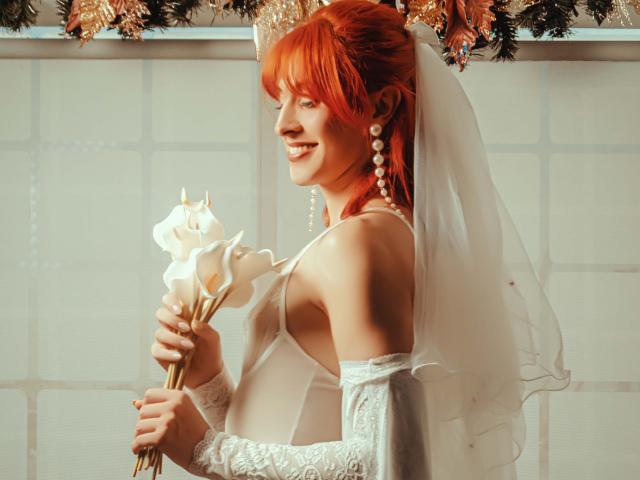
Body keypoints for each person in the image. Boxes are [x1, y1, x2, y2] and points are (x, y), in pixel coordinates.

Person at [130, 1, 571, 478]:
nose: (283, 125)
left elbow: (389, 460)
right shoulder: (378, 234)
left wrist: (206, 450)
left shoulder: (359, 244)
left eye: (309, 101)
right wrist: (207, 378)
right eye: (281, 103)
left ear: (380, 106)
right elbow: (288, 432)